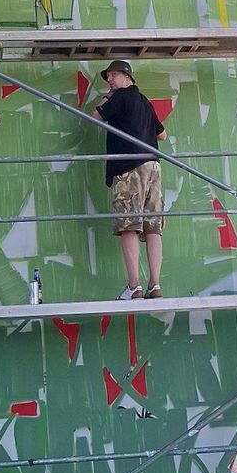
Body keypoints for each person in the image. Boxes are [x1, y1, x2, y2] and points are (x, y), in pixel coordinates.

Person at [93, 60, 168, 300]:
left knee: (128, 225)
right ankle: (155, 285)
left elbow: (95, 116)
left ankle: (134, 286)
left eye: (113, 75)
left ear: (127, 77)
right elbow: (162, 135)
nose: (109, 80)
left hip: (129, 166)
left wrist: (107, 97)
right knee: (153, 226)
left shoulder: (120, 96)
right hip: (153, 166)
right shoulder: (144, 101)